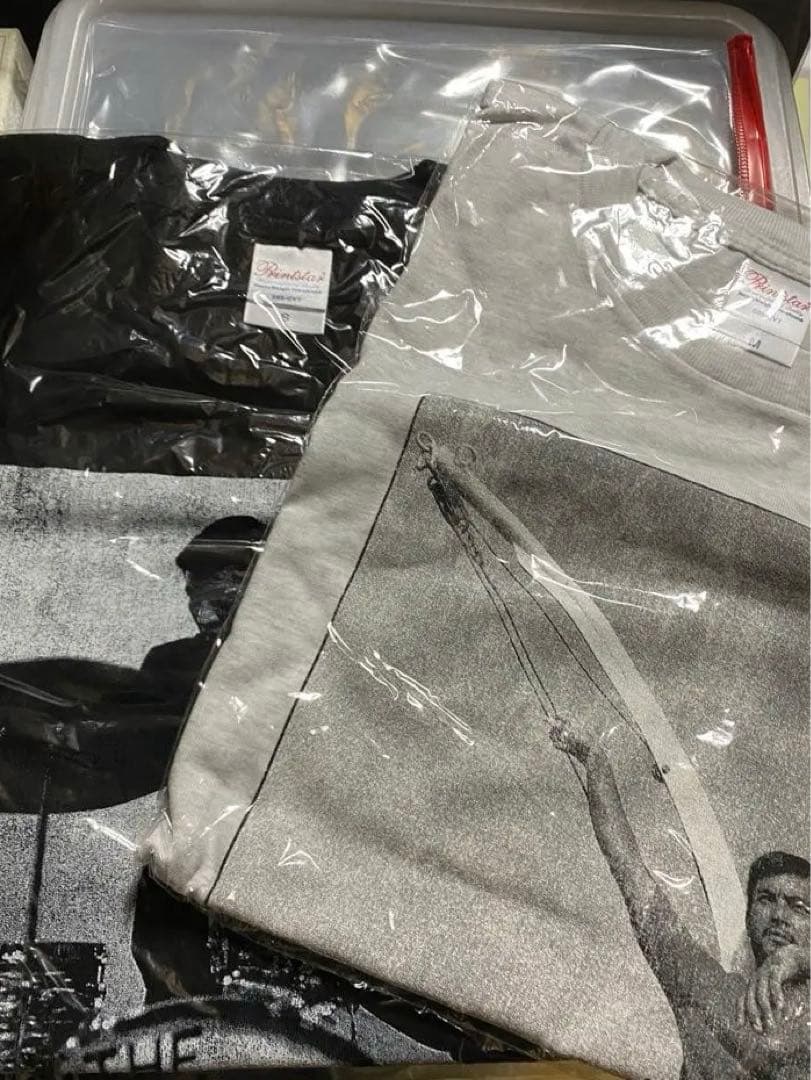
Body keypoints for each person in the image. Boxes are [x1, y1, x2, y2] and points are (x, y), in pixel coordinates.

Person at [552, 724, 810, 1080]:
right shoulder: (707, 987)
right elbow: (628, 867)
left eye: (798, 907)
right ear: (749, 914)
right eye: (766, 899)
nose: (779, 915)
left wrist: (799, 959)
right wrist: (595, 759)